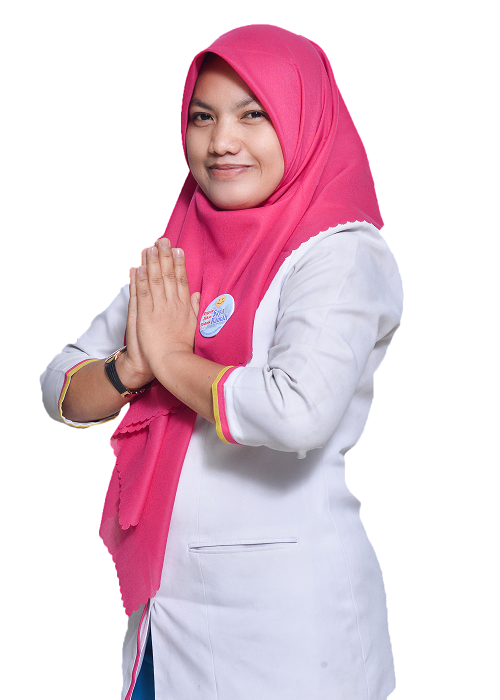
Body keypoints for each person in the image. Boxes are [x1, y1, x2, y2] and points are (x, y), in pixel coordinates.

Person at [41, 24, 403, 700]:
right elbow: (61, 382)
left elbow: (296, 411)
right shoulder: (182, 251)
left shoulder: (341, 254)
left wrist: (169, 357)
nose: (220, 141)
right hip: (167, 619)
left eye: (252, 114)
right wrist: (130, 370)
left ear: (303, 122)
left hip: (287, 632)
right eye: (202, 117)